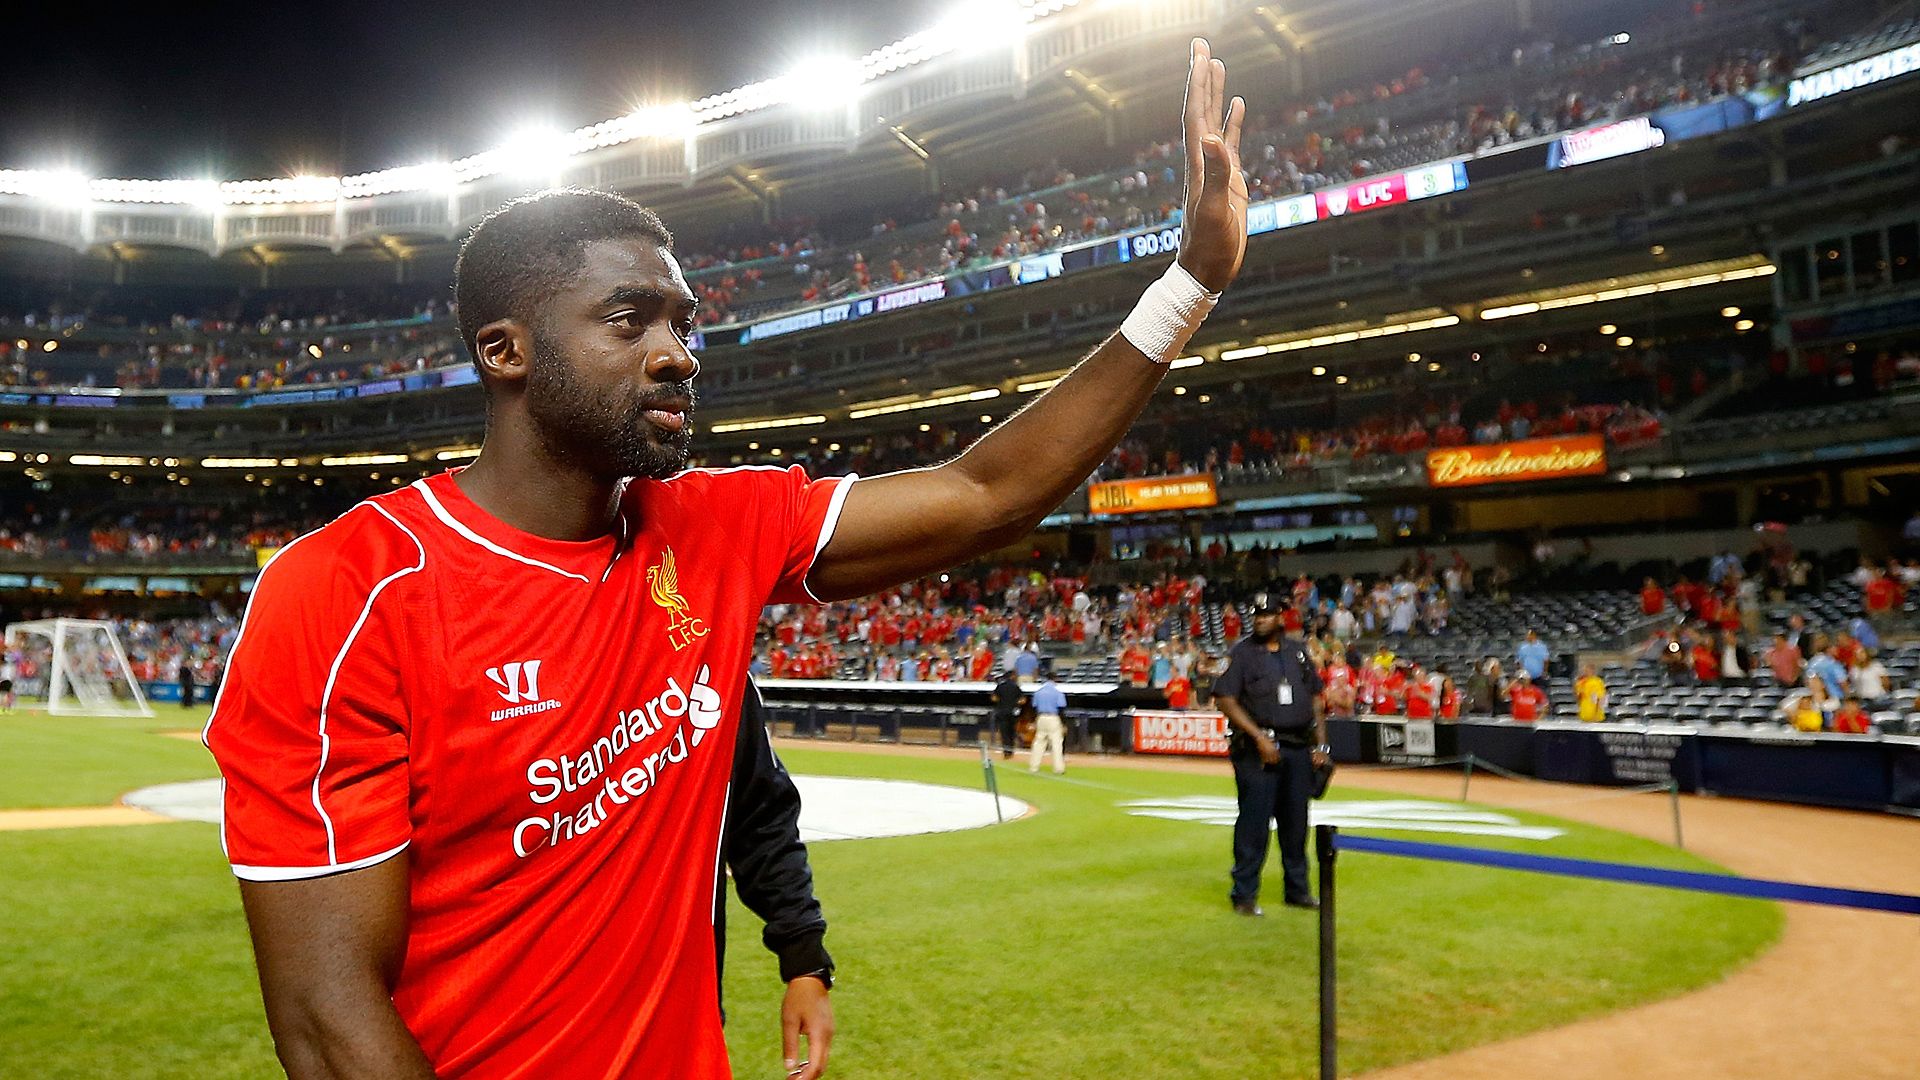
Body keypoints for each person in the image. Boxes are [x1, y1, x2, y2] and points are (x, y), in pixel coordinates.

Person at [204, 42, 1255, 1078]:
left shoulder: (718, 527)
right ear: (505, 350)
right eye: (628, 321)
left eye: (684, 323)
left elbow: (989, 495)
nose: (677, 352)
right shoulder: (345, 591)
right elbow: (328, 1022)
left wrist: (1191, 282)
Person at [1214, 594, 1327, 915]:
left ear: (1281, 617)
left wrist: (1321, 745)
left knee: (1296, 825)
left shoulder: (1298, 653)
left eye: (1266, 614)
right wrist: (1259, 737)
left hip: (1297, 748)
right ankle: (1245, 895)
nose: (1260, 620)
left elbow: (1316, 700)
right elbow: (1225, 699)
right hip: (1256, 752)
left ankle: (1298, 890)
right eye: (1256, 615)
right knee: (1254, 824)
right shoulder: (1241, 653)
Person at [1028, 666, 1069, 775]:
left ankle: (1034, 767)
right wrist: (1063, 724)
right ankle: (1058, 768)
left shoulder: (1038, 692)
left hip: (1041, 717)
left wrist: (1034, 721)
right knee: (1056, 744)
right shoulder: (1057, 693)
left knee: (1038, 743)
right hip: (1053, 717)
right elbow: (1061, 709)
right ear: (1054, 679)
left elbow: (1034, 708)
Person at [990, 669, 1025, 759]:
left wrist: (1001, 701)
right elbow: (1023, 700)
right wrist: (1015, 702)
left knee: (1004, 733)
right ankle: (1011, 751)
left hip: (1002, 712)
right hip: (1013, 712)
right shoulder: (1016, 686)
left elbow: (994, 698)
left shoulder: (1000, 686)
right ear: (1012, 676)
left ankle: (1006, 752)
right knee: (1012, 732)